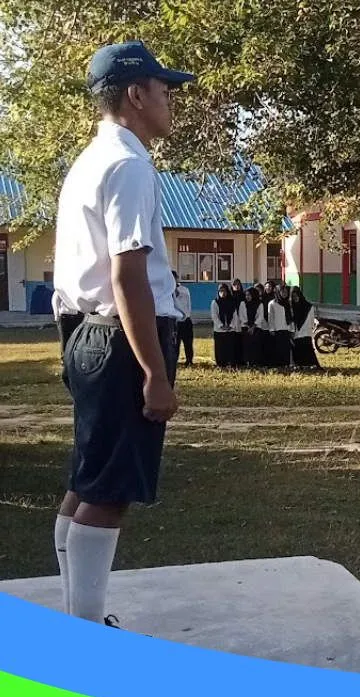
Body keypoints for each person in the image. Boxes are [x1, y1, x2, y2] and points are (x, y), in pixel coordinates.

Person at [50, 40, 193, 626]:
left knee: (86, 480)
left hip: (88, 331)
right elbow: (127, 272)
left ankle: (74, 615)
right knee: (108, 493)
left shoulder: (88, 160)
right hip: (122, 340)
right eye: (164, 91)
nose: (169, 103)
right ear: (136, 95)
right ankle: (85, 633)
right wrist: (156, 373)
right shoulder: (130, 163)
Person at [210, 282, 244, 368]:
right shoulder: (215, 302)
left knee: (230, 347)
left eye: (224, 291)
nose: (223, 293)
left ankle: (230, 362)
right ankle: (221, 363)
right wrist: (221, 326)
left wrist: (231, 326)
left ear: (227, 291)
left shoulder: (231, 302)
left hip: (230, 330)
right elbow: (214, 316)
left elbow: (235, 315)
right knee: (220, 348)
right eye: (220, 291)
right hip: (219, 330)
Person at [289, 286, 319, 369]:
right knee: (297, 348)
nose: (295, 298)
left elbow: (311, 319)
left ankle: (309, 364)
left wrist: (310, 328)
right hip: (296, 331)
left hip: (306, 331)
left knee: (307, 348)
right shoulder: (291, 307)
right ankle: (298, 364)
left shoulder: (308, 306)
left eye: (296, 296)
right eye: (293, 296)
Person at [266, 285, 293, 368]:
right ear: (278, 292)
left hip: (286, 329)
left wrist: (292, 329)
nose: (284, 293)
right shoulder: (272, 303)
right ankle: (278, 364)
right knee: (277, 348)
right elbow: (270, 317)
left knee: (286, 348)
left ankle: (286, 364)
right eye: (282, 291)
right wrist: (271, 329)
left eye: (286, 292)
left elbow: (291, 317)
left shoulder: (288, 303)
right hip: (277, 329)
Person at [241, 286, 267, 368]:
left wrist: (253, 327)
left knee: (255, 346)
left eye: (249, 295)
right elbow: (242, 316)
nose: (247, 297)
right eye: (246, 295)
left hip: (256, 328)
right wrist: (248, 326)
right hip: (246, 328)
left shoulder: (259, 304)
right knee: (247, 345)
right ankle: (247, 361)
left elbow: (260, 316)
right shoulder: (243, 303)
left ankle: (255, 362)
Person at [172, 272, 194, 367]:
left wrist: (186, 315)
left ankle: (189, 360)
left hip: (186, 320)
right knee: (175, 344)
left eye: (174, 278)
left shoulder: (184, 290)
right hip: (175, 321)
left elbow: (188, 304)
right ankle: (173, 360)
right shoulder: (168, 291)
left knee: (188, 342)